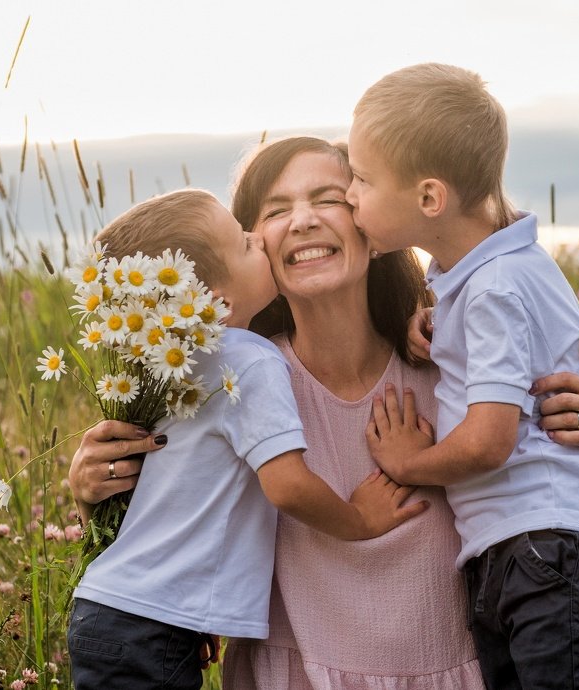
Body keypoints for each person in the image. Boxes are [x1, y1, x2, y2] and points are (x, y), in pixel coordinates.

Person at [68, 137, 579, 689]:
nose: (303, 220)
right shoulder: (223, 386)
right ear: (251, 245)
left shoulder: (463, 368)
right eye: (276, 210)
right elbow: (160, 539)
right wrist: (97, 489)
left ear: (374, 226)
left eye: (330, 199)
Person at [348, 63, 579, 689]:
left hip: (543, 547)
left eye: (362, 179)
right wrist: (441, 329)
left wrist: (410, 464)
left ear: (430, 198)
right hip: (524, 547)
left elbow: (491, 441)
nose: (350, 194)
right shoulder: (491, 276)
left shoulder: (495, 288)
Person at [66, 189, 427, 689]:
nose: (260, 237)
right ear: (217, 302)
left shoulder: (179, 372)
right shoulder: (251, 359)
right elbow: (287, 486)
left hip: (118, 611)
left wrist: (193, 610)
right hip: (148, 623)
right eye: (244, 242)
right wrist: (359, 519)